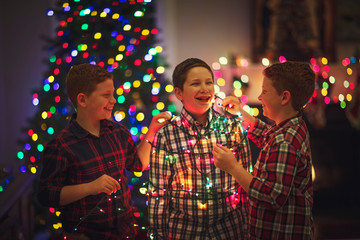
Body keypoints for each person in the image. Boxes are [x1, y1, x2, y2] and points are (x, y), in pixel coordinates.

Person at [37, 63, 170, 240]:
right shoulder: (61, 145)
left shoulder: (119, 132)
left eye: (112, 94)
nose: (113, 100)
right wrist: (90, 187)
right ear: (82, 100)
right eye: (106, 95)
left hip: (125, 233)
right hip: (86, 236)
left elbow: (138, 164)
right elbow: (47, 195)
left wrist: (151, 132)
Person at [147, 58, 252, 239]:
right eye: (196, 83)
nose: (204, 88)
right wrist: (158, 234)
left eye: (209, 82)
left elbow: (246, 184)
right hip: (183, 231)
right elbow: (159, 193)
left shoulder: (232, 128)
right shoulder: (166, 135)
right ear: (179, 93)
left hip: (230, 229)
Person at [213, 61, 315, 239]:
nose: (259, 97)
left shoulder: (285, 142)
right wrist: (241, 112)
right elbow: (265, 135)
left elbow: (271, 196)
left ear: (284, 97)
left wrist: (233, 168)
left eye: (265, 92)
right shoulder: (290, 127)